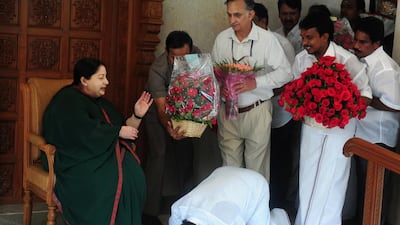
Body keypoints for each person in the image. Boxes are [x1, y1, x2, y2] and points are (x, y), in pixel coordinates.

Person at [42, 57, 153, 225]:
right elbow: (80, 132)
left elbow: (124, 130)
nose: (107, 82)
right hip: (76, 158)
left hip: (103, 154)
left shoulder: (99, 102)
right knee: (107, 184)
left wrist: (137, 115)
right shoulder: (67, 100)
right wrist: (117, 131)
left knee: (133, 176)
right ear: (84, 80)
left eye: (106, 77)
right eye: (101, 77)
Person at [292, 12, 372, 225]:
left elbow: (365, 94)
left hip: (339, 131)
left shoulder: (347, 59)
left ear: (325, 36)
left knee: (334, 182)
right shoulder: (301, 59)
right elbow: (294, 94)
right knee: (310, 179)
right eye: (303, 37)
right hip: (311, 128)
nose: (304, 42)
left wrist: (342, 109)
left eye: (309, 37)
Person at [143, 30, 221, 224]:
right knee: (159, 155)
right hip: (156, 112)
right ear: (166, 53)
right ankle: (149, 211)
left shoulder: (197, 57)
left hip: (185, 112)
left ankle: (187, 203)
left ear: (192, 50)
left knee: (188, 154)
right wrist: (170, 129)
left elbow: (202, 89)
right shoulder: (158, 69)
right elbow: (162, 108)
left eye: (185, 57)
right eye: (174, 58)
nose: (180, 62)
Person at [211, 0, 292, 180]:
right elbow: (213, 74)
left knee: (256, 170)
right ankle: (233, 207)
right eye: (229, 14)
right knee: (229, 168)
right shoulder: (222, 39)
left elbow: (286, 73)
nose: (232, 20)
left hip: (257, 109)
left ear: (251, 14)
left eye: (237, 15)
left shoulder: (267, 40)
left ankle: (255, 208)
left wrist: (256, 83)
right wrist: (221, 88)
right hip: (228, 111)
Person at [253, 2, 300, 220]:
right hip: (256, 112)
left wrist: (262, 93)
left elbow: (288, 79)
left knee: (279, 161)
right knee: (260, 158)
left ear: (262, 21)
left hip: (281, 112)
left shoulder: (281, 44)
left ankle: (277, 207)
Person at [353, 16, 400, 225]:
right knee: (363, 188)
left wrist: (366, 99)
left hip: (378, 137)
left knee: (375, 192)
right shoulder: (362, 61)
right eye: (356, 40)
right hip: (362, 133)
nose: (356, 46)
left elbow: (395, 105)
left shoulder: (385, 68)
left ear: (376, 43)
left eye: (362, 42)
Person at [169, 166, 291, 225]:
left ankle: (280, 218)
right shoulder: (178, 212)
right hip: (221, 172)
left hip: (256, 183)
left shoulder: (228, 220)